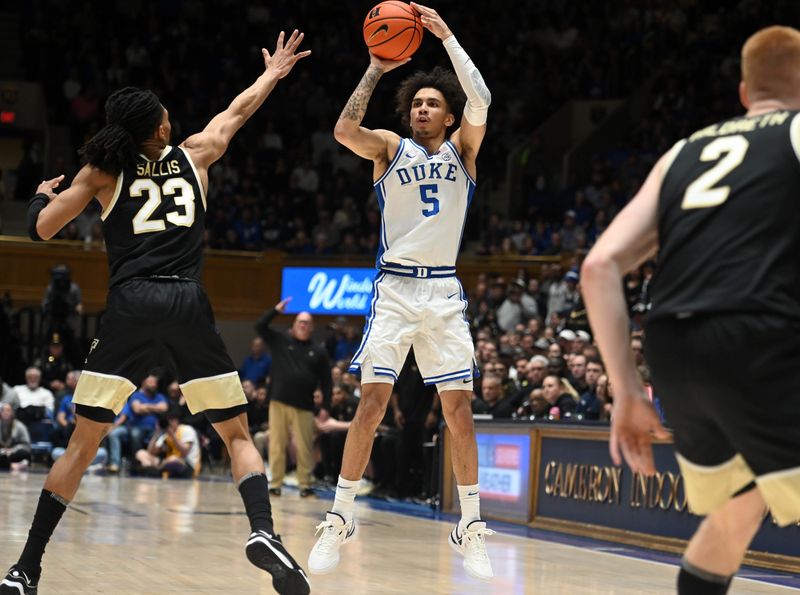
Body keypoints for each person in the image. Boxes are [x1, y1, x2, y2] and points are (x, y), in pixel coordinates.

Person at [1, 30, 311, 595]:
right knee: (237, 436)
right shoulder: (197, 154)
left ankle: (25, 568)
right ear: (163, 128)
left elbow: (41, 229)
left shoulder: (101, 173)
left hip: (131, 303)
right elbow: (237, 111)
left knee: (82, 442)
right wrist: (274, 73)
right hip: (187, 300)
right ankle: (264, 532)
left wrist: (42, 196)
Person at [581, 25, 800, 595]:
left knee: (737, 509)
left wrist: (627, 391)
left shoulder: (684, 151)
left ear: (746, 94)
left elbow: (599, 266)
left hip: (675, 349)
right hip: (764, 334)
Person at [308, 2, 494, 580]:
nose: (420, 108)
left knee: (458, 412)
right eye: (415, 103)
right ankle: (340, 517)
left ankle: (470, 526)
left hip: (442, 294)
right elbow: (342, 130)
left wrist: (448, 37)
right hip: (394, 289)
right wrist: (374, 68)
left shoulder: (464, 149)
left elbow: (482, 100)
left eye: (431, 103)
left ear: (447, 115)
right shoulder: (390, 147)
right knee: (371, 404)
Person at [255, 298, 332, 498]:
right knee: (277, 444)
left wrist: (325, 407)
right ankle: (275, 484)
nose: (303, 325)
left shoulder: (319, 352)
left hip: (304, 405)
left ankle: (305, 485)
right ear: (294, 324)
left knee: (304, 446)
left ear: (312, 327)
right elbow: (259, 326)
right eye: (300, 322)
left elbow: (327, 382)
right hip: (279, 401)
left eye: (307, 323)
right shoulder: (281, 341)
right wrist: (275, 309)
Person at [135, 410, 200, 478]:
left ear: (176, 421)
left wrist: (172, 435)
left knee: (173, 459)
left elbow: (184, 452)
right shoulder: (165, 434)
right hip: (167, 462)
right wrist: (156, 433)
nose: (169, 423)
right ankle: (151, 472)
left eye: (171, 420)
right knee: (141, 453)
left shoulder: (187, 430)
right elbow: (151, 452)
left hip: (187, 465)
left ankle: (154, 472)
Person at [0, 403, 31, 470]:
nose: (5, 412)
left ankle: (8, 464)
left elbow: (26, 445)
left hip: (14, 452)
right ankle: (13, 465)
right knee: (2, 457)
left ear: (12, 413)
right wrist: (3, 451)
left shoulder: (20, 426)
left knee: (25, 454)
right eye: (3, 410)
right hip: (2, 453)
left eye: (8, 410)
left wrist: (12, 450)